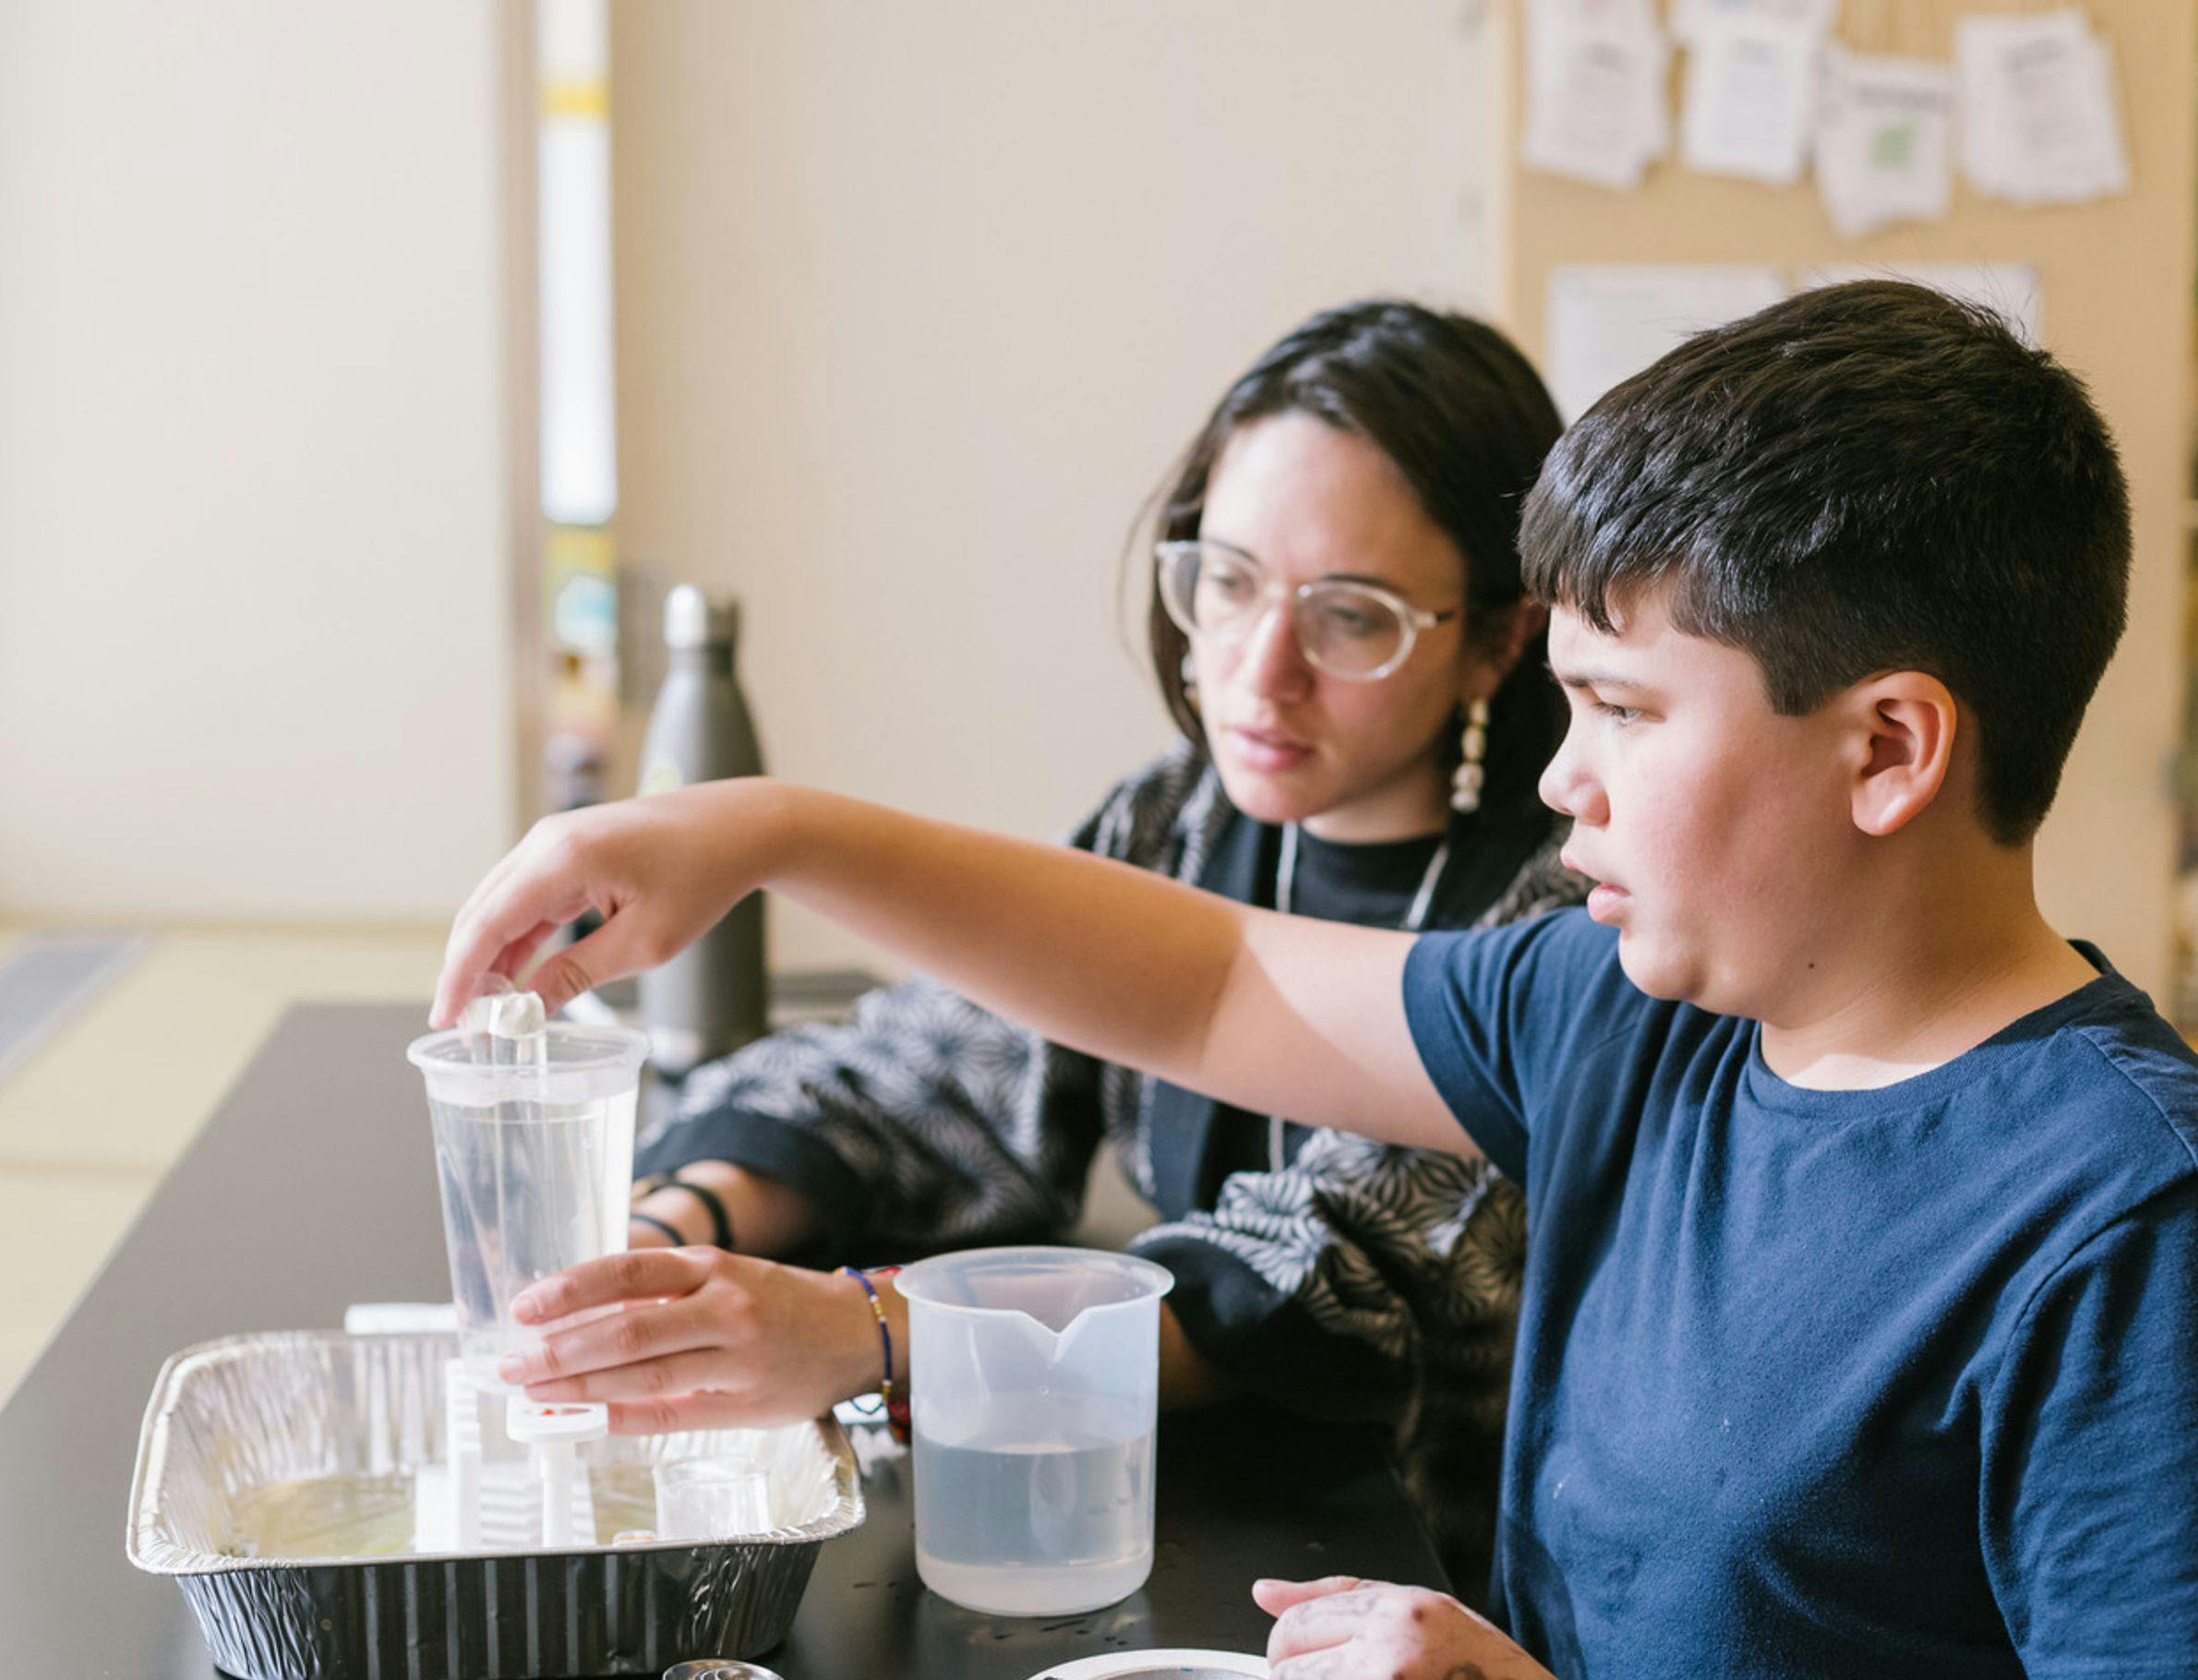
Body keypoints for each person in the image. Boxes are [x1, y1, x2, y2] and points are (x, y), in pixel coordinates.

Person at [439, 282, 2198, 1680]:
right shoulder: (1627, 1014)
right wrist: (756, 833)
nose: (1563, 782)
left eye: (1624, 712)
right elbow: (1200, 971)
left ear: (1887, 750)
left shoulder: (2145, 1246)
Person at [615, 300, 1584, 1592]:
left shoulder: (1574, 899)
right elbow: (938, 1066)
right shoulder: (1173, 817)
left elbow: (1332, 1259)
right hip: (1177, 1531)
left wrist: (867, 1331)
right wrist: (679, 1226)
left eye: (1350, 618)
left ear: (1501, 635)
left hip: (1450, 1606)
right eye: (1226, 582)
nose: (1256, 671)